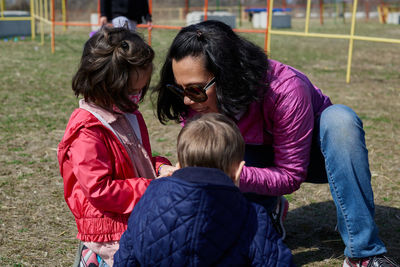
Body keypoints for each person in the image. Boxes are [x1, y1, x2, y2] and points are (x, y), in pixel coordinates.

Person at [152, 20, 399, 267]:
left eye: (194, 90)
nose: (186, 100)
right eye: (179, 89)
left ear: (227, 76)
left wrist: (227, 174)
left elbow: (291, 174)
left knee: (341, 121)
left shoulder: (286, 88)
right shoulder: (198, 99)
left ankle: (364, 253)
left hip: (314, 156)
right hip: (250, 158)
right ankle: (265, 209)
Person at [113, 113, 295, 266]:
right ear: (238, 172)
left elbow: (127, 253)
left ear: (179, 165)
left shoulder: (151, 194)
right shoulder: (252, 216)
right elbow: (276, 262)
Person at [57, 26, 172, 267]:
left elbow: (138, 161)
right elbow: (100, 190)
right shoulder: (88, 129)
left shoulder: (128, 113)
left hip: (134, 215)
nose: (137, 97)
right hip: (108, 230)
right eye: (131, 91)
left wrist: (160, 168)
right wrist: (153, 188)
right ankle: (92, 258)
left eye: (141, 90)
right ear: (102, 84)